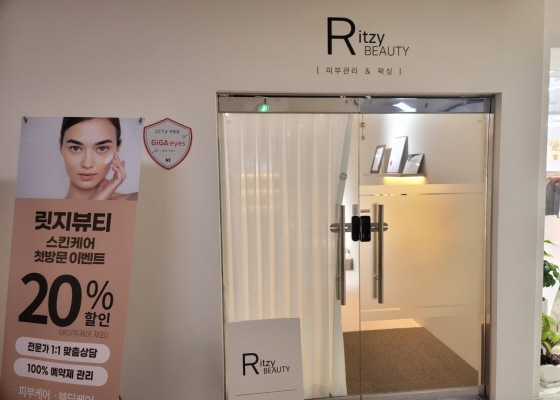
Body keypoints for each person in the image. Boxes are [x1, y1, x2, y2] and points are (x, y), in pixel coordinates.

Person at [59, 117, 138, 200]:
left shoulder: (135, 200)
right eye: (75, 148)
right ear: (61, 147)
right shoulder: (50, 206)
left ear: (117, 148)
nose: (87, 164)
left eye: (102, 148)